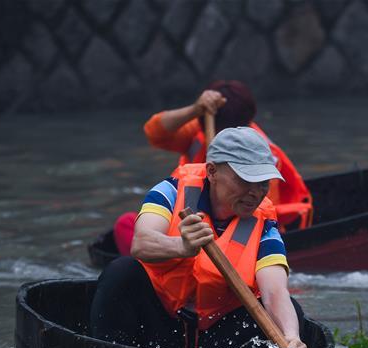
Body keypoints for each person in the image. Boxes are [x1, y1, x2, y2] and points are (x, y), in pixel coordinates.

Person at [90, 127, 307, 348]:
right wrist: (181, 246)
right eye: (245, 180)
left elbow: (275, 291)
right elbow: (141, 244)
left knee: (293, 316)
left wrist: (291, 338)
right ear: (212, 171)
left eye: (263, 183)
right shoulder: (170, 191)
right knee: (121, 271)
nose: (256, 193)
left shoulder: (265, 224)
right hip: (160, 323)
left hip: (217, 338)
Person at [113, 81, 313, 254]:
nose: (223, 138)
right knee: (127, 224)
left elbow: (257, 210)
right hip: (190, 222)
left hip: (235, 229)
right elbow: (155, 133)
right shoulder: (196, 133)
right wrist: (195, 109)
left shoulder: (261, 156)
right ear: (211, 171)